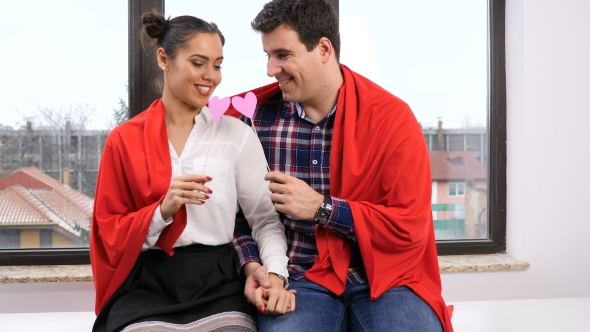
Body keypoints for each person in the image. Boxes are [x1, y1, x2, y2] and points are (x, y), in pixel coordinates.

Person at [227, 0, 454, 331]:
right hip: (298, 276)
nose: (270, 68)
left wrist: (322, 208)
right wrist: (254, 267)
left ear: (323, 49)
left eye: (283, 55)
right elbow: (234, 213)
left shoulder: (393, 120)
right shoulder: (250, 118)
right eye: (268, 55)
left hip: (388, 277)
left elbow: (409, 226)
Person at [90, 11, 294, 332]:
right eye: (198, 63)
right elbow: (109, 234)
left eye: (217, 64)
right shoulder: (124, 140)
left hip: (217, 281)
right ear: (163, 59)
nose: (210, 76)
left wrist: (275, 274)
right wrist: (163, 209)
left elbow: (265, 221)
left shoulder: (236, 134)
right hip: (146, 283)